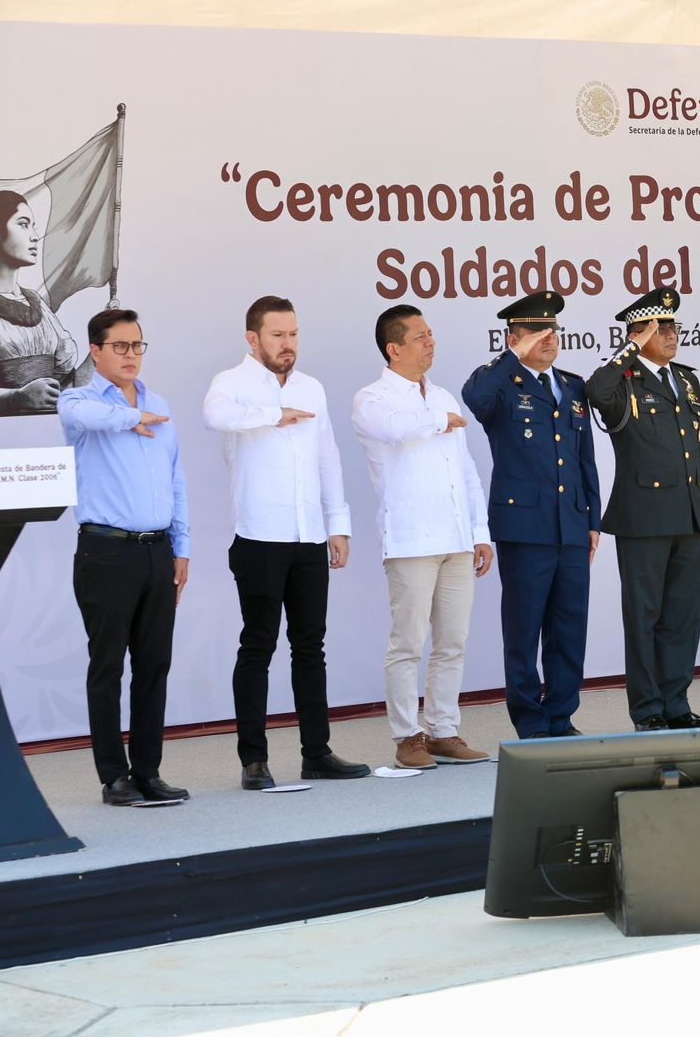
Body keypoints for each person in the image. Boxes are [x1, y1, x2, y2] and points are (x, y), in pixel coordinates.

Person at [203, 296, 369, 789]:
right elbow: (215, 415)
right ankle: (253, 760)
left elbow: (328, 458)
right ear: (253, 338)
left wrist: (338, 524)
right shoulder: (231, 384)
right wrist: (274, 413)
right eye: (278, 335)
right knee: (258, 646)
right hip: (259, 536)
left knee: (310, 647)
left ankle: (317, 753)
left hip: (309, 535)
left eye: (293, 334)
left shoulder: (311, 388)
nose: (288, 343)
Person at [57, 308, 190, 805]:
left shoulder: (160, 404)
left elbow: (175, 480)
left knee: (154, 665)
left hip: (157, 550)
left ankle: (148, 772)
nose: (131, 355)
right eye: (120, 346)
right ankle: (114, 776)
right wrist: (131, 417)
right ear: (96, 351)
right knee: (108, 665)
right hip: (106, 552)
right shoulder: (79, 400)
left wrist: (182, 547)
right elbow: (81, 418)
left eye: (137, 346)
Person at [352, 305, 494, 768]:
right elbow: (394, 430)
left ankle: (443, 731)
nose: (431, 342)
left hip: (455, 539)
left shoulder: (444, 395)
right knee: (408, 644)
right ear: (394, 348)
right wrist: (439, 421)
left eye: (431, 334)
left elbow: (466, 471)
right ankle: (407, 736)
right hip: (411, 540)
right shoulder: (372, 398)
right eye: (420, 336)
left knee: (452, 642)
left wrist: (479, 531)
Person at [463, 291, 602, 737]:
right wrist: (513, 357)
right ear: (514, 338)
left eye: (553, 331)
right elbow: (475, 398)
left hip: (571, 525)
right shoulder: (501, 384)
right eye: (537, 333)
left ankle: (560, 717)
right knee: (523, 630)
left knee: (569, 628)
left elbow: (584, 459)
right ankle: (530, 722)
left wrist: (593, 520)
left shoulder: (573, 386)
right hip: (525, 528)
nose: (549, 339)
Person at [586, 287, 700, 732]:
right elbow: (595, 391)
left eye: (673, 326)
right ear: (638, 334)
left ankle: (676, 704)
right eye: (659, 328)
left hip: (688, 514)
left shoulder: (685, 379)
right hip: (644, 517)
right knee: (644, 617)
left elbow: (695, 449)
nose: (670, 334)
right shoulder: (622, 380)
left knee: (683, 616)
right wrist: (631, 347)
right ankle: (648, 710)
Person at [0, 190, 88, 417]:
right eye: (23, 225)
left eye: (33, 226)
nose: (34, 236)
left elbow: (69, 386)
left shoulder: (37, 303)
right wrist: (17, 397)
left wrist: (103, 343)